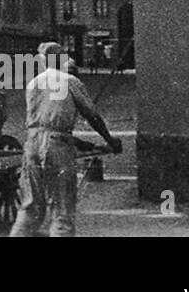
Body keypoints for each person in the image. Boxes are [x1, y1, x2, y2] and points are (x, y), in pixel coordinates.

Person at [9, 41, 123, 238]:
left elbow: (44, 124)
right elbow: (92, 117)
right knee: (62, 210)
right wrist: (110, 141)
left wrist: (80, 143)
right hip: (57, 146)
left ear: (43, 61)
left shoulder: (33, 83)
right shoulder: (70, 81)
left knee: (30, 208)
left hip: (32, 144)